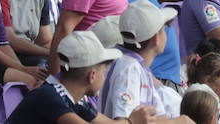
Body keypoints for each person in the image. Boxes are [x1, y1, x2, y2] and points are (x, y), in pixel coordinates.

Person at [7, 30, 138, 124]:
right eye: (103, 72)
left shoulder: (76, 101)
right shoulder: (48, 95)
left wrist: (131, 121)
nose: (103, 77)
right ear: (92, 76)